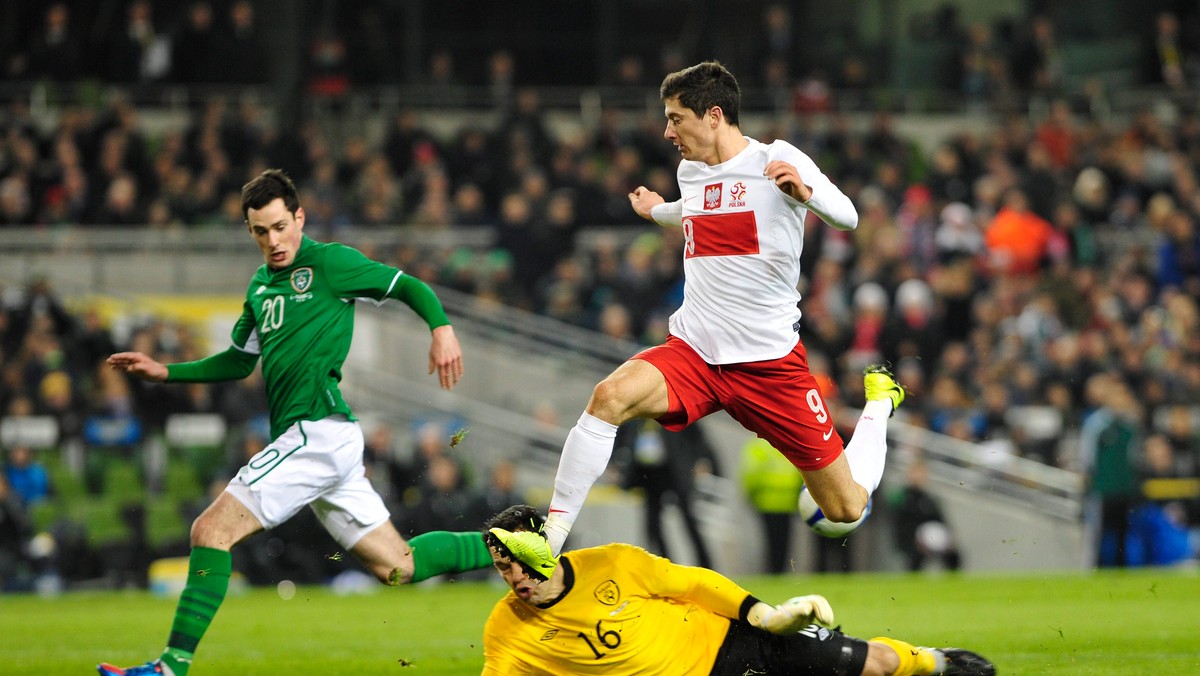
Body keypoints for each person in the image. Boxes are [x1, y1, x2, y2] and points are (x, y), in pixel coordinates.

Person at [97, 169, 493, 676]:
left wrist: (441, 329)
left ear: (299, 217)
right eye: (261, 232)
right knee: (398, 566)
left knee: (210, 530)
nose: (274, 241)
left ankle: (170, 666)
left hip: (319, 430)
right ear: (250, 231)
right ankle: (519, 545)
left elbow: (406, 285)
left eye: (281, 226)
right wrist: (165, 372)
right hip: (320, 442)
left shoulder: (331, 263)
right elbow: (239, 362)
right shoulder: (261, 286)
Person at [539, 61, 905, 566]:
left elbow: (849, 215)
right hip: (695, 353)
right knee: (609, 397)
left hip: (769, 367)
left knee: (845, 507)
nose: (668, 131)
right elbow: (699, 208)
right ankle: (548, 540)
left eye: (676, 118)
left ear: (713, 115)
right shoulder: (690, 171)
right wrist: (659, 210)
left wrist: (806, 194)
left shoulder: (776, 158)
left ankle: (880, 405)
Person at [483, 505, 995, 675]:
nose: (515, 579)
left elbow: (697, 584)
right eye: (503, 570)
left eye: (520, 564)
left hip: (731, 642)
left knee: (869, 666)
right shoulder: (507, 628)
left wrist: (761, 615)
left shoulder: (614, 563)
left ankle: (938, 663)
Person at [613, 419, 718, 567]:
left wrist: (702, 460)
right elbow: (620, 436)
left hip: (674, 472)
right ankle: (664, 566)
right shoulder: (637, 414)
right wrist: (614, 464)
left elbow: (698, 437)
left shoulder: (672, 407)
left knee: (688, 521)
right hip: (648, 474)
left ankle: (706, 566)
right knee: (652, 524)